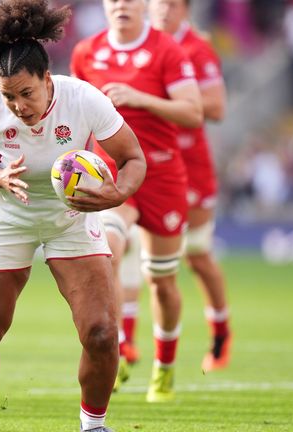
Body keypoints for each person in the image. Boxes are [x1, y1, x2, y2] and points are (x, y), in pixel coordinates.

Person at [0, 1, 147, 431]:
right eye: (8, 96)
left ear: (47, 79)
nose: (17, 105)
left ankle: (94, 425)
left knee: (102, 332)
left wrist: (116, 194)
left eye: (26, 93)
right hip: (6, 216)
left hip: (72, 217)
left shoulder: (83, 99)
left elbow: (133, 158)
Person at [71, 0, 203, 402]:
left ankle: (164, 367)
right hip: (110, 174)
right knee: (107, 253)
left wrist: (140, 98)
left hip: (161, 175)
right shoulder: (87, 52)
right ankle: (115, 349)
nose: (122, 5)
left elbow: (193, 113)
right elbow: (72, 117)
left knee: (161, 280)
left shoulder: (167, 49)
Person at [148, 0, 231, 373]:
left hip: (188, 165)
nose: (163, 11)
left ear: (185, 10)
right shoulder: (137, 46)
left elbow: (216, 107)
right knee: (134, 252)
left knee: (197, 255)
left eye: (171, 4)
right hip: (149, 163)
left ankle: (221, 333)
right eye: (157, 3)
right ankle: (127, 344)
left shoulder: (196, 49)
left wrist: (156, 97)